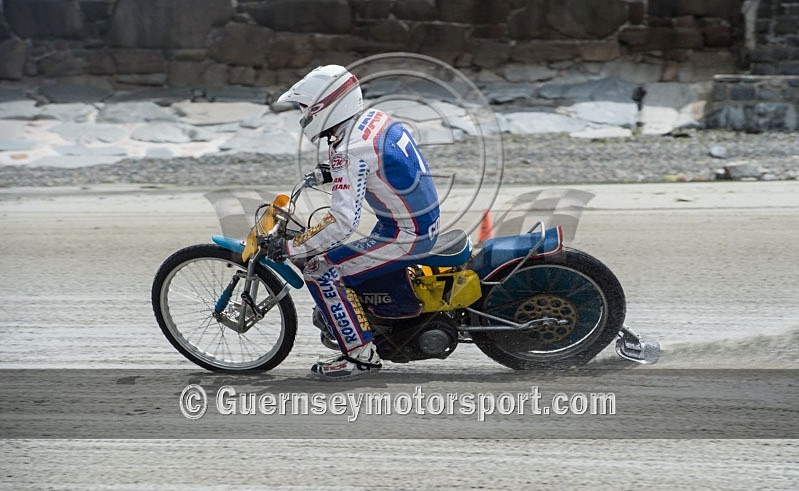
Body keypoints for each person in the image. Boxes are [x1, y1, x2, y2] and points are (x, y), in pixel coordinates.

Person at [264, 65, 441, 381]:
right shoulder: (372, 120)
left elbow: (343, 221)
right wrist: (333, 172)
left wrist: (292, 246)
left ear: (325, 106)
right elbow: (381, 165)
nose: (303, 115)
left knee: (319, 268)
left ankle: (359, 356)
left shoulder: (348, 148)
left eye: (305, 108)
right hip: (413, 222)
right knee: (341, 259)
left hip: (406, 234)